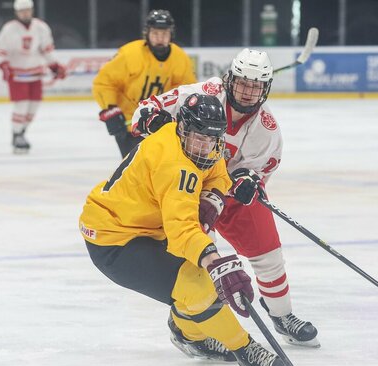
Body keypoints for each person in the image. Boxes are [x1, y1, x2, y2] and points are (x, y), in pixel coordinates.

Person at [79, 93, 290, 366]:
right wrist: (216, 263)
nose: (204, 146)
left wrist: (219, 192)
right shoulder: (173, 165)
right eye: (197, 138)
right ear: (182, 129)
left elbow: (216, 174)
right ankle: (246, 348)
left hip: (144, 224)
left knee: (193, 279)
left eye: (211, 139)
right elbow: (181, 230)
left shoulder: (200, 142)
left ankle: (188, 335)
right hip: (114, 238)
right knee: (201, 286)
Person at [132, 49, 320, 347]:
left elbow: (260, 169)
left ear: (265, 88)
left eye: (256, 86)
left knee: (268, 253)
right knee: (198, 262)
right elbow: (146, 109)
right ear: (229, 79)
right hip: (183, 187)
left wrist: (249, 181)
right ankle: (189, 328)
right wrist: (153, 122)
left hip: (228, 190)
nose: (248, 92)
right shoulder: (202, 94)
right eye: (243, 83)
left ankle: (282, 314)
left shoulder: (266, 128)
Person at [92, 9, 197, 158]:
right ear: (147, 33)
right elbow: (104, 83)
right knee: (136, 168)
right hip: (130, 123)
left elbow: (186, 91)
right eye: (155, 33)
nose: (160, 38)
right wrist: (110, 109)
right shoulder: (130, 54)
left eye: (164, 34)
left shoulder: (180, 58)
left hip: (162, 122)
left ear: (171, 34)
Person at [0, 0, 66, 154]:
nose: (25, 13)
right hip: (17, 73)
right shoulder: (9, 29)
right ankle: (17, 134)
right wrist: (4, 66)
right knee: (22, 105)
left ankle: (22, 132)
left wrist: (54, 66)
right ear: (16, 12)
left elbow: (46, 50)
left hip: (36, 73)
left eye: (27, 10)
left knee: (33, 107)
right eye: (22, 11)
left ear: (32, 10)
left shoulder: (41, 27)